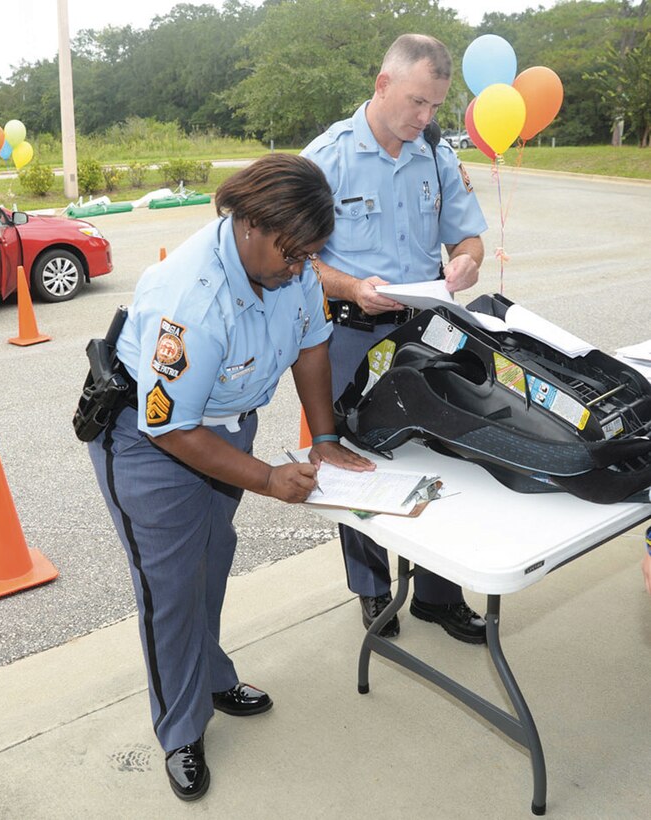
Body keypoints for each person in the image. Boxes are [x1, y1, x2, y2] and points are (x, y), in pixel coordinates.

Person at [85, 154, 375, 801]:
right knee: (171, 589)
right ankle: (181, 730)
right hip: (151, 444)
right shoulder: (190, 298)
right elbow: (169, 428)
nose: (302, 270)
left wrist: (324, 438)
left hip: (222, 429)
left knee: (212, 560)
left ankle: (211, 676)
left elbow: (311, 343)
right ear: (249, 224)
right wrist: (270, 479)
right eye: (293, 255)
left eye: (309, 256)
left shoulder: (288, 262)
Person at [302, 33, 488, 643]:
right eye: (417, 103)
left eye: (436, 107)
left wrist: (464, 263)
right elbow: (292, 260)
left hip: (422, 331)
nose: (426, 118)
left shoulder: (433, 154)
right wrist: (352, 286)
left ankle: (437, 595)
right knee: (357, 464)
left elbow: (468, 237)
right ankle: (373, 592)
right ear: (382, 86)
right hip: (350, 336)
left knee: (441, 450)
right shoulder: (325, 159)